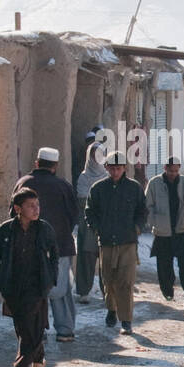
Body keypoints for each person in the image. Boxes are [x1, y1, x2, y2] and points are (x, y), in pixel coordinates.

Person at [0, 188, 58, 367]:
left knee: (30, 324)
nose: (36, 209)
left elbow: (54, 254)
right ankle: (38, 360)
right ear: (18, 209)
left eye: (37, 205)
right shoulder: (5, 230)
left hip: (37, 284)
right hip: (12, 285)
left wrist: (52, 277)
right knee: (25, 326)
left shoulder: (44, 228)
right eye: (30, 206)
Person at [15, 147, 79, 342]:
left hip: (29, 247)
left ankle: (35, 329)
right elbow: (74, 215)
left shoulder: (23, 183)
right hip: (59, 246)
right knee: (60, 289)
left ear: (37, 163)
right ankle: (65, 330)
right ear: (55, 166)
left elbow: (13, 214)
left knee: (34, 288)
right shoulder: (63, 186)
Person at [86, 150, 147, 334]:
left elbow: (142, 211)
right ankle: (111, 309)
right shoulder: (98, 189)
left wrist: (136, 228)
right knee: (108, 280)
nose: (115, 172)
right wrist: (97, 228)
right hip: (106, 242)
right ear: (106, 168)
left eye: (118, 169)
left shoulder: (134, 188)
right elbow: (89, 212)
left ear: (124, 169)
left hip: (127, 242)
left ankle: (126, 320)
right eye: (112, 169)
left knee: (126, 282)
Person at [145, 155, 184, 303]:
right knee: (164, 265)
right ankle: (168, 293)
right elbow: (147, 206)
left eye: (176, 171)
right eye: (171, 171)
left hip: (181, 229)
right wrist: (155, 222)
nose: (173, 174)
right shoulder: (155, 183)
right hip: (162, 231)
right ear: (165, 168)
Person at [75, 127, 107, 301]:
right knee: (86, 258)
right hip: (88, 225)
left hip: (105, 225)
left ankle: (106, 292)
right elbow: (82, 200)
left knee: (106, 260)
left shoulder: (108, 176)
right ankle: (83, 292)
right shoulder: (84, 177)